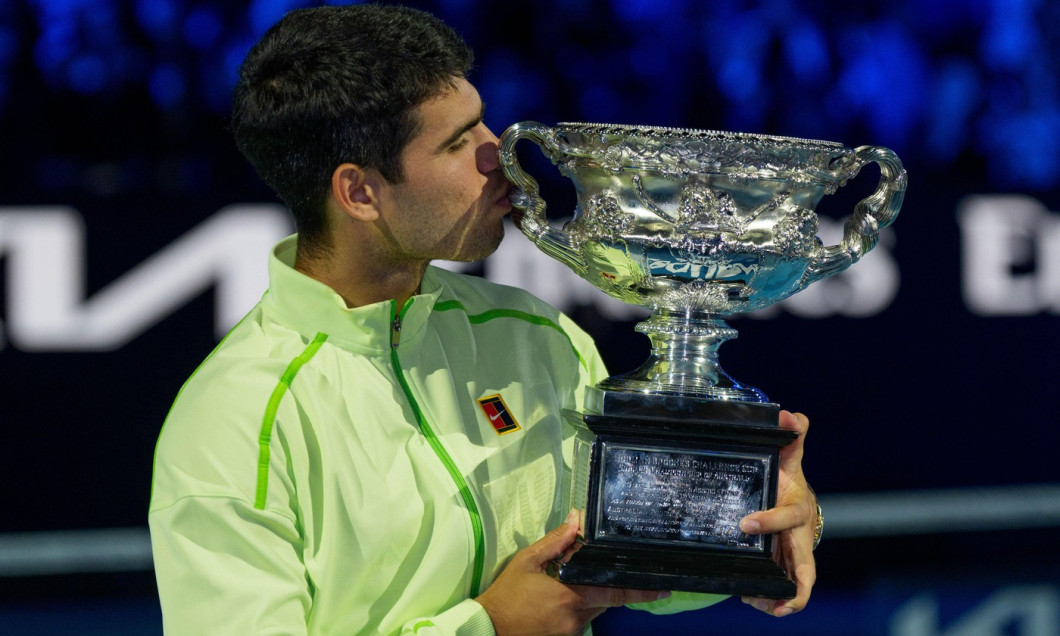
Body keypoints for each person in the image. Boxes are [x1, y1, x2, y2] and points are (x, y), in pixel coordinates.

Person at [148, 4, 820, 635]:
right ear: (359, 192)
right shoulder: (234, 421)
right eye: (457, 142)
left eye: (483, 122)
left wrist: (751, 520)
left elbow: (634, 567)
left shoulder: (538, 338)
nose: (499, 152)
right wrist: (488, 626)